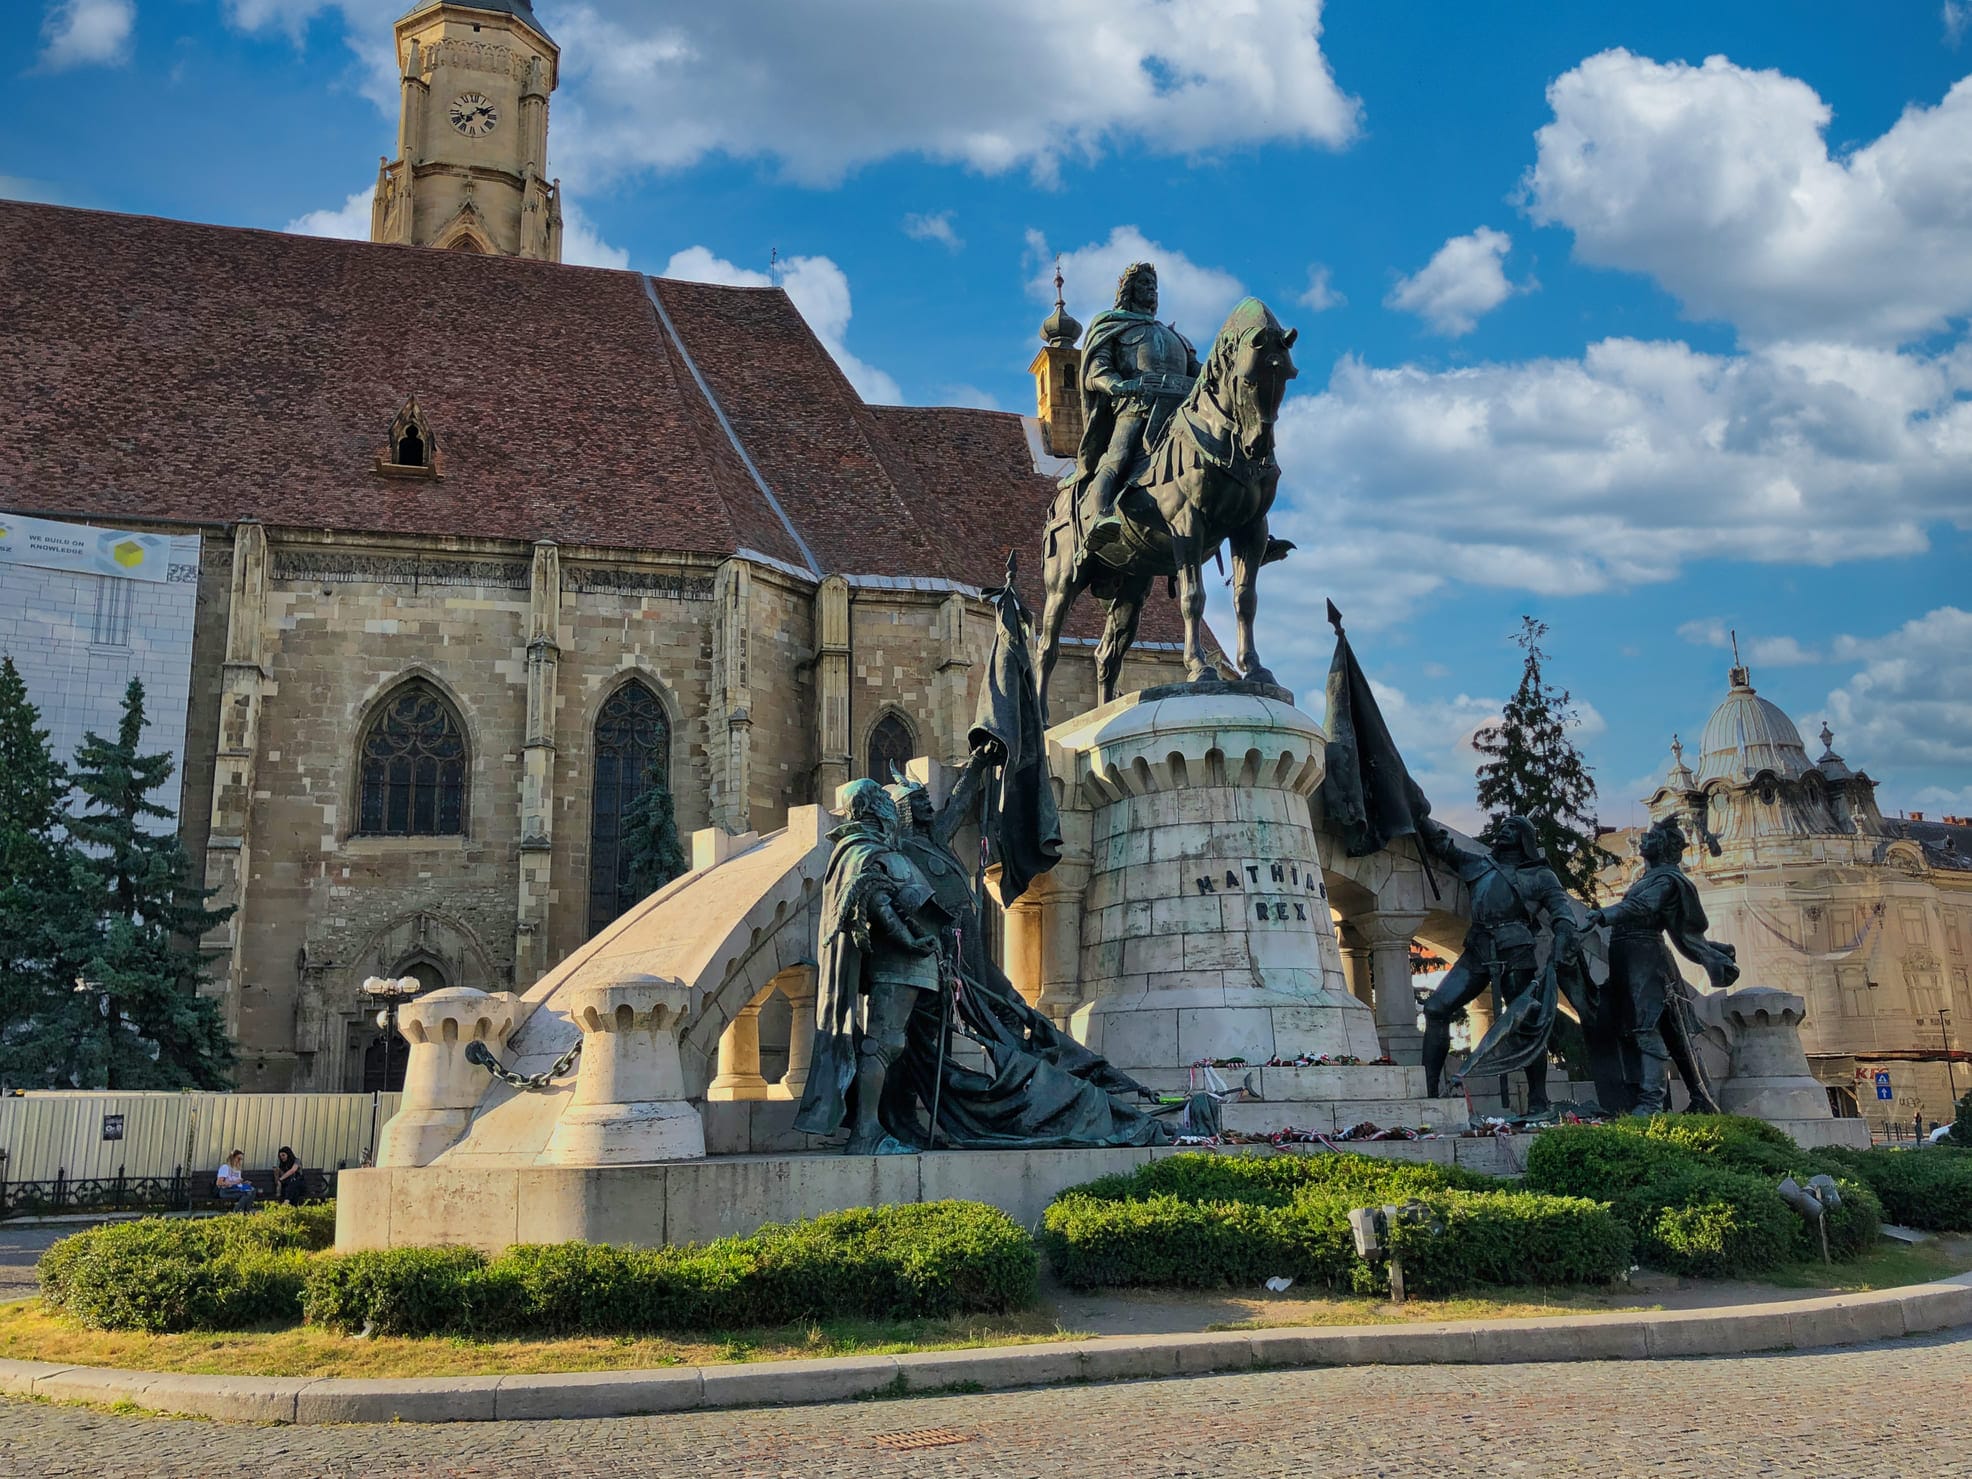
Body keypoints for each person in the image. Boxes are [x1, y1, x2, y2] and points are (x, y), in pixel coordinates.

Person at [1416, 814, 1581, 1115]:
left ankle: (1537, 1098)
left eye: (1511, 828)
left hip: (1516, 951)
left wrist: (1565, 933)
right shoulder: (1478, 865)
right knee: (1436, 1008)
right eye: (1502, 827)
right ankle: (1428, 1092)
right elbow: (1444, 847)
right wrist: (1417, 814)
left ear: (1524, 838)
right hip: (1478, 948)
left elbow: (1561, 909)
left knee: (1524, 1023)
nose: (1503, 831)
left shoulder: (1540, 876)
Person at [1585, 816, 1736, 1114]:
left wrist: (1604, 915)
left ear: (1665, 846)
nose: (1643, 840)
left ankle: (1651, 1101)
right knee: (1670, 1032)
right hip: (1627, 954)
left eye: (1651, 838)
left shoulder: (1667, 879)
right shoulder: (1648, 878)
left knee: (1647, 1026)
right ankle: (1699, 1098)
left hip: (1645, 956)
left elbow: (1643, 907)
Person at [1070, 261, 1199, 538]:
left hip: (1181, 410)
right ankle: (1099, 516)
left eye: (1154, 284)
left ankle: (1247, 521)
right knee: (1118, 457)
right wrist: (1117, 385)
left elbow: (1199, 372)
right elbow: (1097, 369)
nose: (1151, 288)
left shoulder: (1173, 335)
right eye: (1143, 283)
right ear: (1129, 290)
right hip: (1136, 407)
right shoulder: (1112, 325)